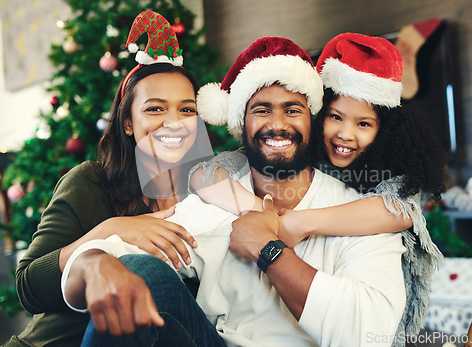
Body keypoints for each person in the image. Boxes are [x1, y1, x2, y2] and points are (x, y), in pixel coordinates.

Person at [62, 36, 407, 346]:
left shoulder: (359, 213)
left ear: (312, 121)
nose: (277, 124)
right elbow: (115, 251)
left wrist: (268, 249)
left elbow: (367, 333)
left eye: (292, 110)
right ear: (241, 124)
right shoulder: (217, 198)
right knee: (144, 272)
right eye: (261, 110)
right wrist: (95, 264)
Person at [190, 33, 446, 341]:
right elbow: (204, 174)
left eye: (363, 124)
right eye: (336, 117)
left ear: (384, 132)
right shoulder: (294, 154)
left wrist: (300, 221)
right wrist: (261, 212)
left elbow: (401, 211)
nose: (345, 135)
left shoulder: (388, 175)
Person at [3, 11, 208, 346]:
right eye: (155, 109)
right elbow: (29, 289)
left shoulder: (209, 197)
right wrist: (109, 230)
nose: (174, 121)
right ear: (127, 122)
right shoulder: (89, 182)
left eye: (187, 110)